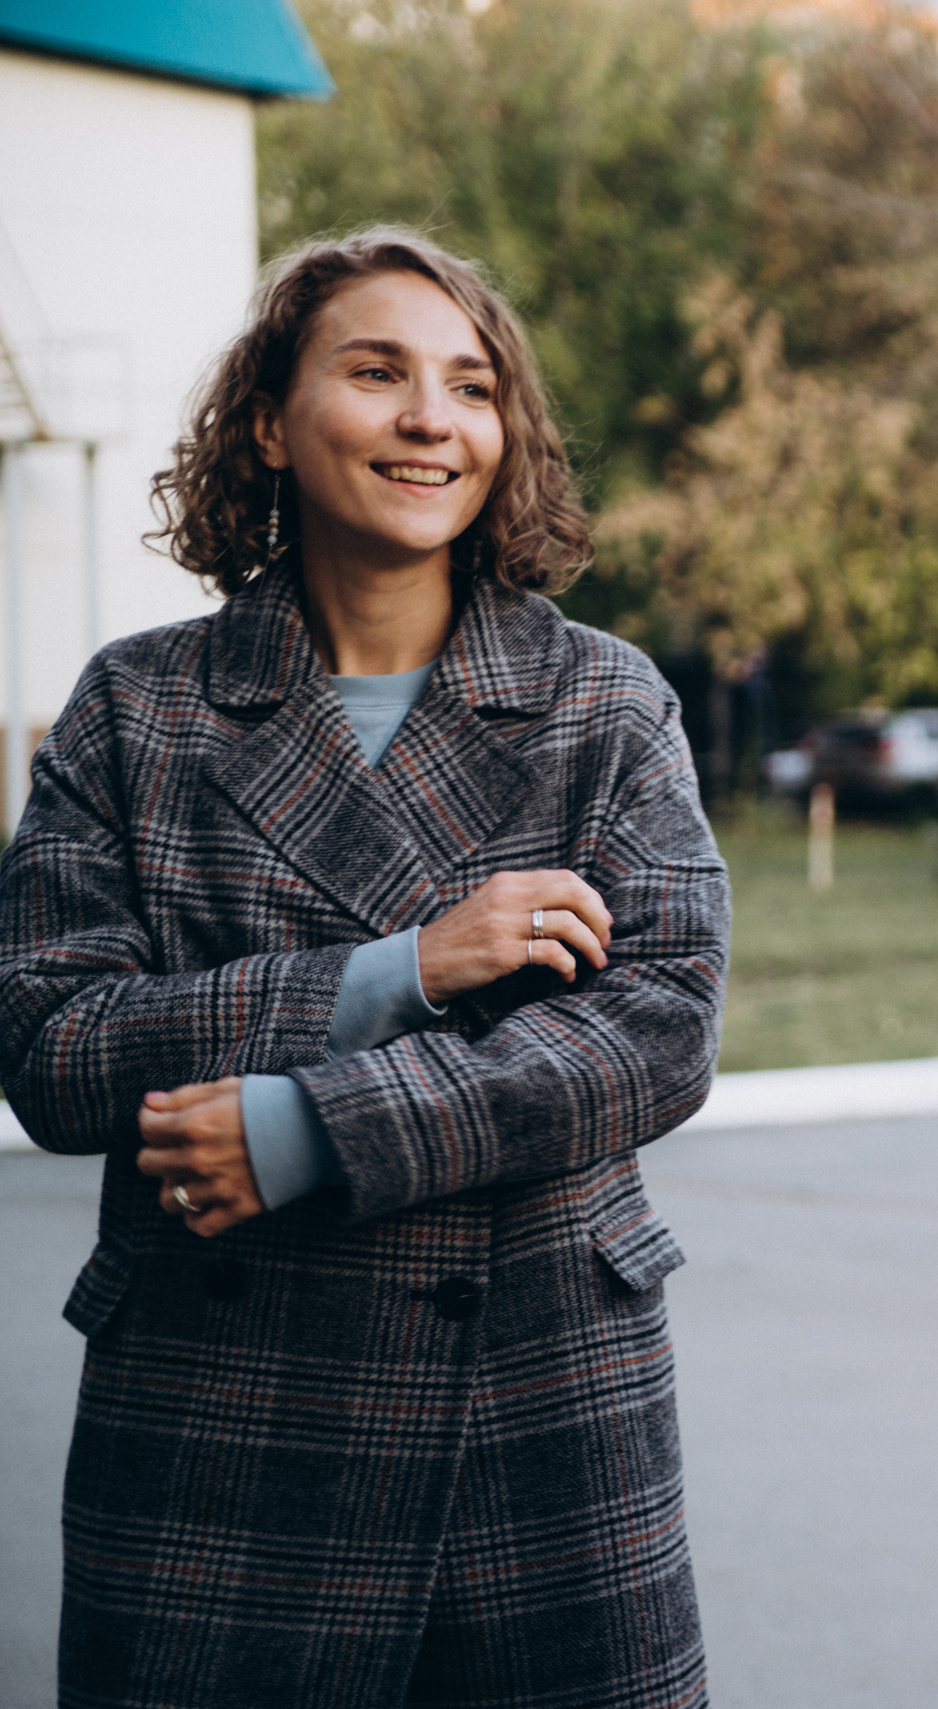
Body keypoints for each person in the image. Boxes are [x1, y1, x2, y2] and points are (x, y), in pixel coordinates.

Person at [0, 229, 729, 1708]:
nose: (429, 420)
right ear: (267, 420)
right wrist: (399, 967)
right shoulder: (138, 708)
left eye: (470, 387)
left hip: (538, 1423)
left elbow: (658, 1030)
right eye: (377, 371)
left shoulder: (603, 701)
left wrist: (314, 1130)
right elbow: (53, 1046)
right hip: (218, 1429)